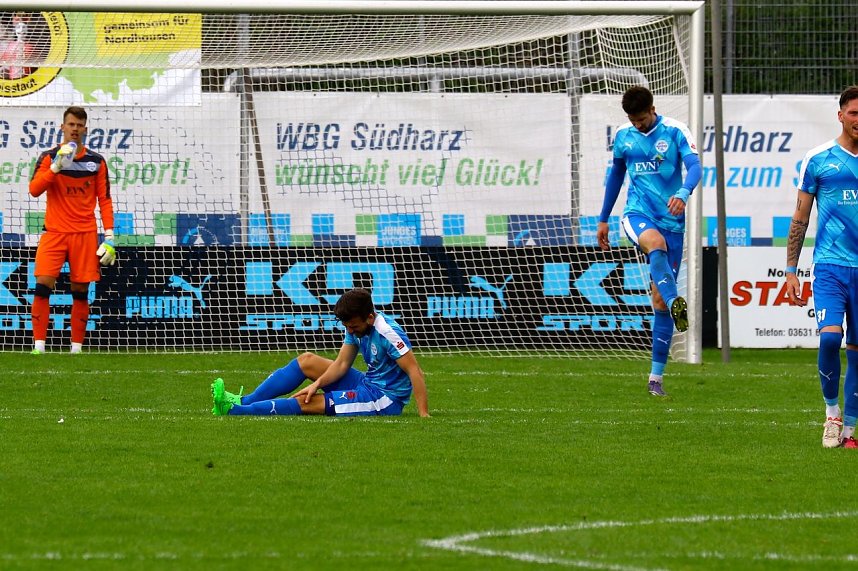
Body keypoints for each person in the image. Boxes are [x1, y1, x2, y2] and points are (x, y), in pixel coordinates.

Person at [596, 86, 702, 397]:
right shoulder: (623, 135)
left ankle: (655, 379)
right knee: (655, 243)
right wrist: (603, 218)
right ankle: (675, 301)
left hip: (673, 221)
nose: (638, 125)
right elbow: (616, 175)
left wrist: (683, 193)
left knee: (657, 302)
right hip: (637, 213)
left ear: (652, 110)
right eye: (633, 120)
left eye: (641, 119)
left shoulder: (676, 130)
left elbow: (695, 167)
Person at [211, 288, 430, 418]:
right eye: (347, 327)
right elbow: (342, 364)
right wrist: (317, 383)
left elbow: (414, 371)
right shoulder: (355, 326)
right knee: (307, 361)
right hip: (367, 383)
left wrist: (423, 414)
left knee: (306, 403)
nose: (350, 331)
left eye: (353, 326)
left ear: (370, 318)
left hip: (382, 399)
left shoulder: (388, 332)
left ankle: (233, 410)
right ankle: (243, 400)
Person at [785, 85, 858, 449]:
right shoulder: (818, 159)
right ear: (841, 115)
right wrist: (791, 270)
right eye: (854, 113)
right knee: (830, 338)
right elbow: (800, 217)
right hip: (830, 265)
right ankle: (832, 414)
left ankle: (850, 433)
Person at [29, 106, 116, 354]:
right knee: (42, 286)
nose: (74, 129)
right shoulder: (49, 157)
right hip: (54, 233)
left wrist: (109, 236)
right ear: (62, 127)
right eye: (71, 124)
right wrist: (55, 168)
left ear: (85, 129)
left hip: (84, 234)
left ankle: (76, 349)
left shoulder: (96, 161)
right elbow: (34, 190)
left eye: (79, 125)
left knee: (80, 291)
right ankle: (39, 347)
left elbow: (104, 199)